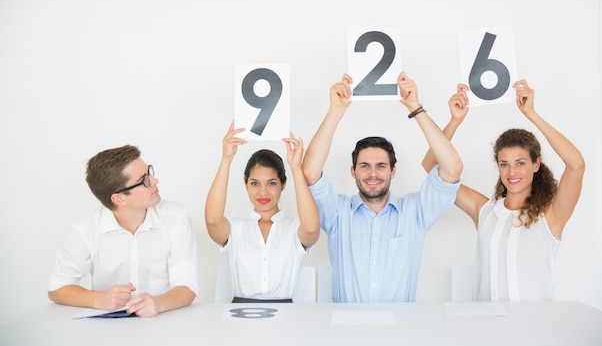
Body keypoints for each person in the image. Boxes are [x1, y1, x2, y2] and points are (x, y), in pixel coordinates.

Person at [301, 72, 463, 303]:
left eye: (381, 166)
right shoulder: (337, 213)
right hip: (347, 335)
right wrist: (336, 110)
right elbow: (310, 171)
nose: (373, 174)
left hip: (399, 336)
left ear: (393, 171)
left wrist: (415, 107)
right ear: (353, 171)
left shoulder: (415, 212)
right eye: (365, 166)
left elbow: (452, 168)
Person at [422, 80, 585, 301]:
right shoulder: (485, 211)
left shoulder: (551, 215)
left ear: (536, 164)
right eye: (504, 164)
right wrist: (454, 121)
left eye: (520, 163)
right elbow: (431, 166)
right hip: (487, 330)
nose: (512, 172)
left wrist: (532, 114)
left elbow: (576, 164)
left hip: (535, 329)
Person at [48, 145, 199, 317]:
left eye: (149, 172)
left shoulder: (176, 217)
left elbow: (188, 285)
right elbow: (57, 288)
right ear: (119, 198)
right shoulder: (84, 231)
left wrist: (158, 303)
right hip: (107, 329)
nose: (154, 181)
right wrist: (99, 299)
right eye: (144, 180)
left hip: (163, 320)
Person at [204, 122, 320, 302]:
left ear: (283, 183)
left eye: (272, 183)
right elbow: (212, 220)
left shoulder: (294, 228)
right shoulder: (236, 228)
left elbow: (312, 229)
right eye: (255, 183)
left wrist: (296, 169)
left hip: (285, 318)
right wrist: (226, 160)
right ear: (245, 183)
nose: (263, 192)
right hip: (240, 317)